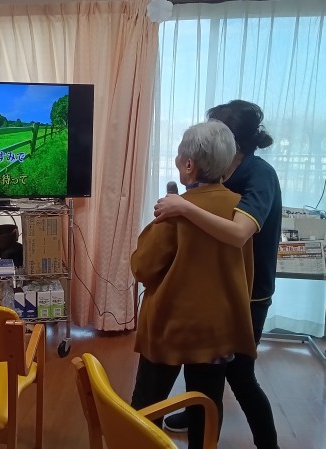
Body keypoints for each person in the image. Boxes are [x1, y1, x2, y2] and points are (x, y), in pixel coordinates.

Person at [156, 100, 281, 449]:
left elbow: (239, 232)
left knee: (240, 375)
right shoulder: (223, 174)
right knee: (204, 363)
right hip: (221, 287)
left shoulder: (258, 176)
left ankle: (268, 443)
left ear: (233, 143)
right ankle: (196, 413)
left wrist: (183, 206)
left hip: (249, 292)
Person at [130, 120, 257, 449]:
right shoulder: (239, 209)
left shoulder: (174, 211)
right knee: (206, 405)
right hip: (217, 330)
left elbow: (143, 267)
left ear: (189, 165)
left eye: (178, 156)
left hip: (171, 326)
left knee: (148, 403)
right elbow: (245, 270)